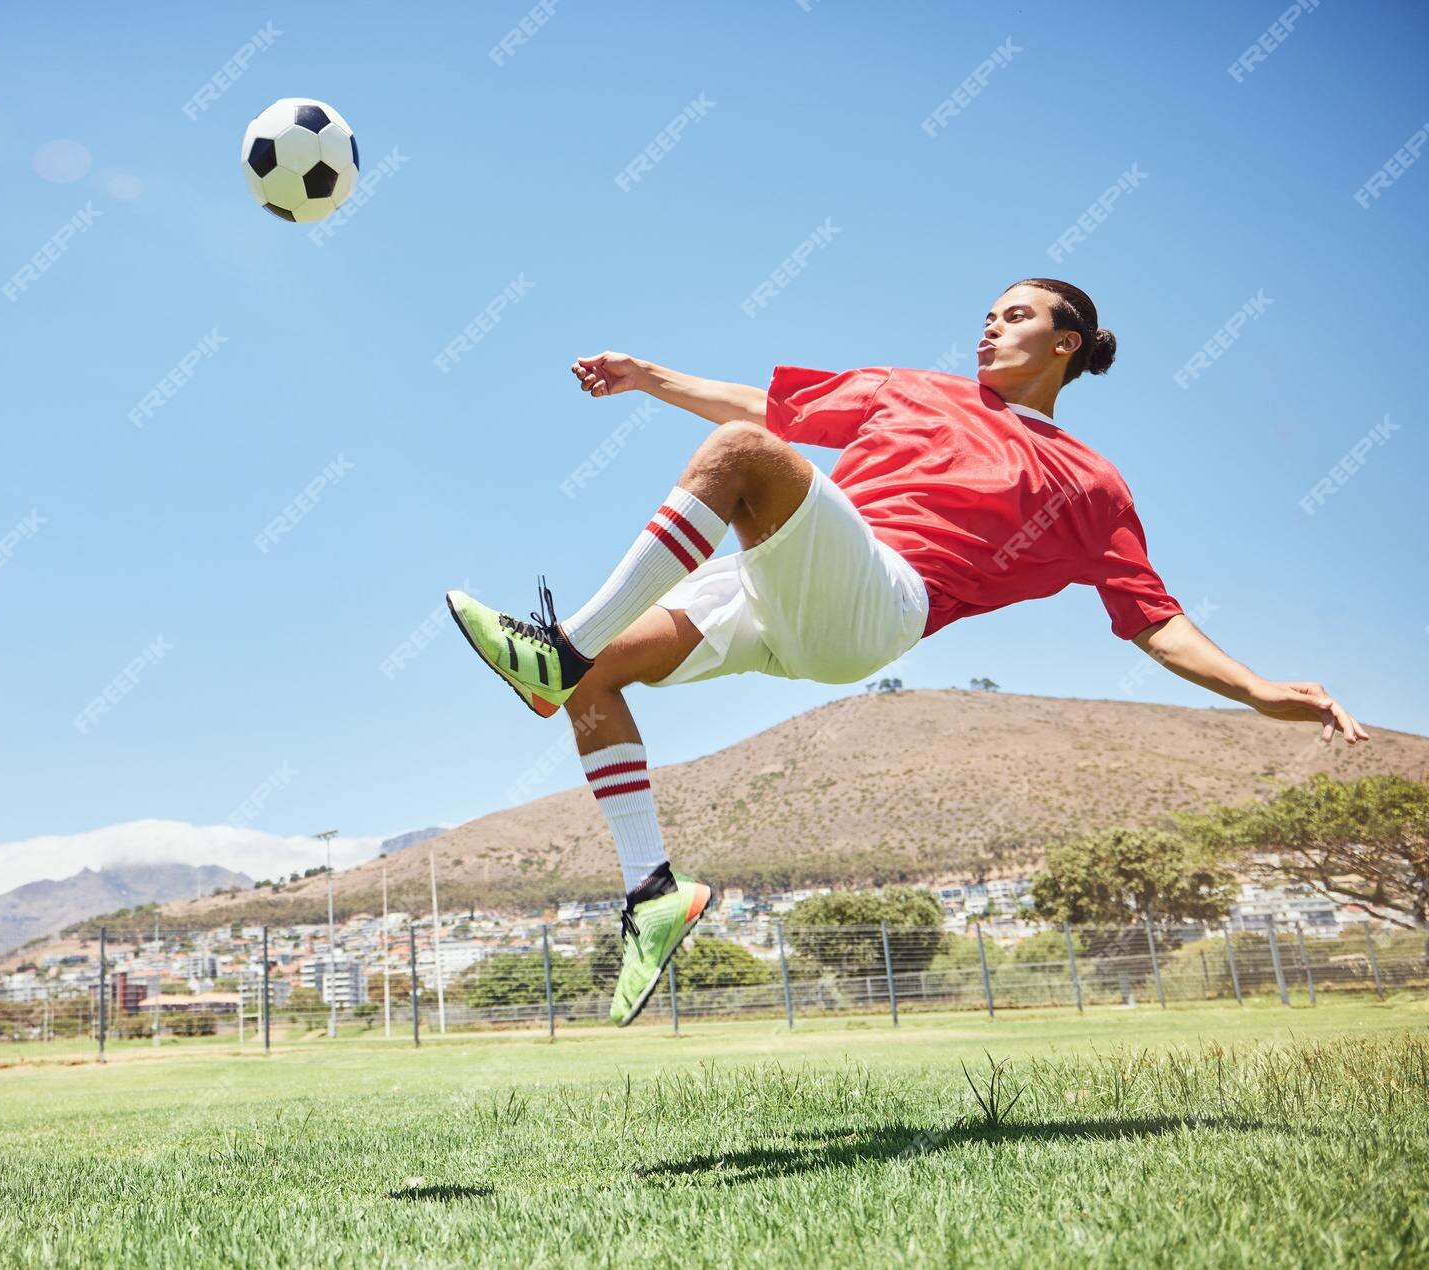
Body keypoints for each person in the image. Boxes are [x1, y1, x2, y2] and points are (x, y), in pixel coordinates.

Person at [445, 278, 1369, 1026]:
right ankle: (652, 890)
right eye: (985, 316)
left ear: (1067, 344)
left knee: (737, 457)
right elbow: (772, 406)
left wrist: (1255, 690)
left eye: (1014, 317)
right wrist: (651, 377)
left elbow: (1153, 618)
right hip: (776, 584)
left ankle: (560, 647)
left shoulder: (1090, 484)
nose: (989, 329)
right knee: (597, 681)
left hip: (879, 603)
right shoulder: (913, 390)